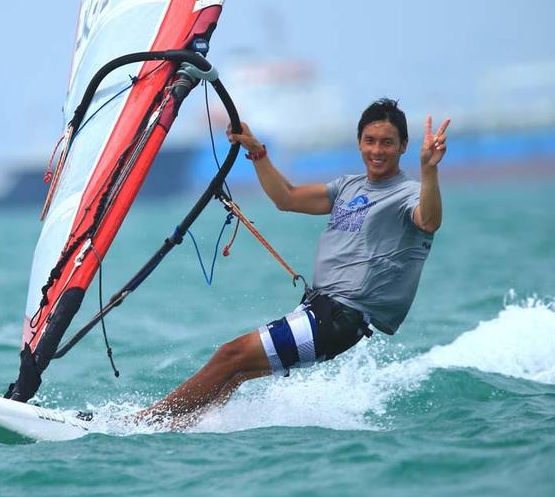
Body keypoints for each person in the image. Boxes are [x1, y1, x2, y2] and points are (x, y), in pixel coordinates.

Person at [138, 98, 450, 428]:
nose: (377, 150)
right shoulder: (348, 186)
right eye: (369, 141)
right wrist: (257, 151)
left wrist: (429, 170)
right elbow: (286, 197)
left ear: (403, 146)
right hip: (317, 310)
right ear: (359, 142)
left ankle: (144, 422)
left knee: (231, 355)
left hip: (341, 318)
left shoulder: (408, 193)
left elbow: (429, 220)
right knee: (237, 372)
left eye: (387, 142)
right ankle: (185, 426)